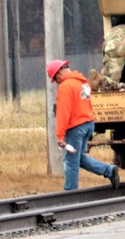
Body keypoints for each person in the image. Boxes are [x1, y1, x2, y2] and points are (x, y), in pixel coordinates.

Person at [47, 59, 120, 191]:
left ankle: (70, 193)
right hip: (88, 125)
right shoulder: (83, 82)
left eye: (55, 79)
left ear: (59, 73)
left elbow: (63, 112)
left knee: (70, 162)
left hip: (75, 128)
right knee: (79, 159)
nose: (56, 82)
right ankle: (109, 171)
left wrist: (60, 135)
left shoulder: (65, 86)